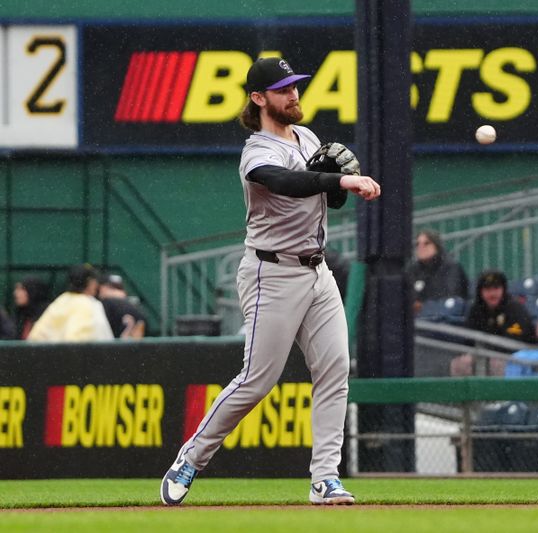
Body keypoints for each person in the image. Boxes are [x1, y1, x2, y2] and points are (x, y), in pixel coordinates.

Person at [161, 57, 380, 507]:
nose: (293, 95)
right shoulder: (257, 151)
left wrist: (337, 186)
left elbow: (327, 200)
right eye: (283, 89)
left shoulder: (308, 137)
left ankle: (325, 479)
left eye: (295, 86)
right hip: (271, 273)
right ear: (259, 99)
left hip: (317, 272)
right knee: (257, 380)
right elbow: (284, 183)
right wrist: (340, 177)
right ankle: (192, 456)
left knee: (336, 368)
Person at [450, 270, 537, 377]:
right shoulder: (476, 310)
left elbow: (514, 342)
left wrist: (487, 351)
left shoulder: (514, 308)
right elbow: (469, 338)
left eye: (496, 289)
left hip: (517, 355)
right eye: (487, 289)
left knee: (496, 364)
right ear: (480, 292)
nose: (492, 294)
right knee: (460, 364)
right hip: (484, 354)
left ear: (503, 289)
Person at [27, 264, 114, 342]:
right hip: (79, 358)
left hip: (51, 357)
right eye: (94, 280)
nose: (96, 284)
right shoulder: (90, 304)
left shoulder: (61, 301)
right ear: (89, 282)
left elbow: (35, 337)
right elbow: (101, 340)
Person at [407, 229, 469, 314]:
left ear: (437, 246)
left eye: (426, 243)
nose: (420, 247)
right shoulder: (413, 269)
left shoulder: (451, 267)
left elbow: (451, 299)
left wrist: (424, 307)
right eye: (417, 244)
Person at [98, 273, 147, 339]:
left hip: (109, 347)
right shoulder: (135, 306)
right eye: (111, 288)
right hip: (131, 347)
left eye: (117, 288)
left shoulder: (101, 305)